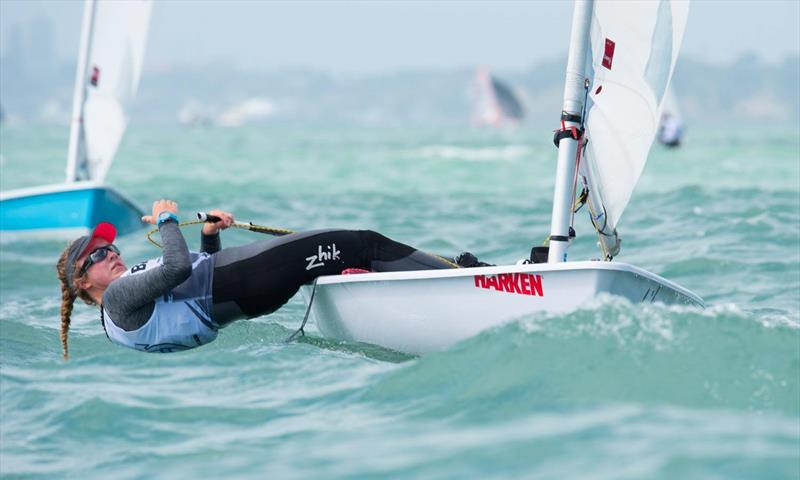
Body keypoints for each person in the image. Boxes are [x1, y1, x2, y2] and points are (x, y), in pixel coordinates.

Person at [55, 199, 461, 359]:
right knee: (363, 243)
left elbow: (194, 285)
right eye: (98, 255)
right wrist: (166, 218)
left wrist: (209, 237)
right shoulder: (118, 299)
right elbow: (178, 267)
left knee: (346, 256)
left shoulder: (120, 317)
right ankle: (462, 277)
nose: (112, 254)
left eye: (110, 247)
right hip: (246, 280)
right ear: (82, 282)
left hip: (242, 293)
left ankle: (440, 284)